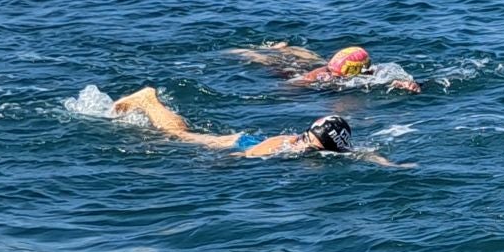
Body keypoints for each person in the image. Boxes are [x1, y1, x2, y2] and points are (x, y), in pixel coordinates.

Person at [109, 86, 394, 163]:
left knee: (186, 132)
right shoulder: (285, 144)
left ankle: (151, 102)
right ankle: (148, 101)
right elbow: (249, 154)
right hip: (239, 143)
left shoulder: (328, 148)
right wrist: (221, 163)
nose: (307, 147)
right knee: (179, 136)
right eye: (308, 142)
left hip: (248, 141)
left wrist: (391, 165)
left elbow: (363, 153)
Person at [232, 42, 421, 92]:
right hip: (303, 74)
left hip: (320, 65)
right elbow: (290, 86)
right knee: (279, 65)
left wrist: (406, 84)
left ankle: (285, 48)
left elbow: (388, 78)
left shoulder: (369, 72)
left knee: (312, 59)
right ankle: (245, 52)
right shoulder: (319, 76)